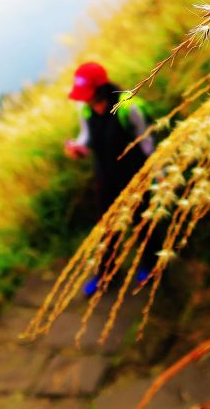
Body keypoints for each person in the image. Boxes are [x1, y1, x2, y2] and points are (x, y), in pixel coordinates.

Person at [65, 61, 155, 295]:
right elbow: (86, 136)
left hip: (135, 177)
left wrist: (158, 175)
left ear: (101, 88)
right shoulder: (85, 110)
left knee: (143, 223)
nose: (83, 99)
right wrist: (79, 148)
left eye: (87, 94)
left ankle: (149, 267)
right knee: (107, 228)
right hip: (105, 178)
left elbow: (148, 143)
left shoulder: (128, 107)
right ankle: (106, 273)